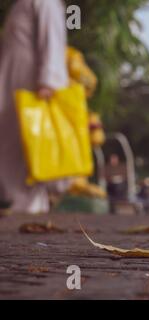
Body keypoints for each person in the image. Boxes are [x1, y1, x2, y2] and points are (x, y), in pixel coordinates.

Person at [0, 0, 68, 214]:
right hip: (11, 85)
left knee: (29, 149)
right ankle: (12, 202)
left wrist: (48, 81)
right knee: (10, 146)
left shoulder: (45, 3)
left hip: (32, 88)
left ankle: (28, 207)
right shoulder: (21, 4)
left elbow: (53, 42)